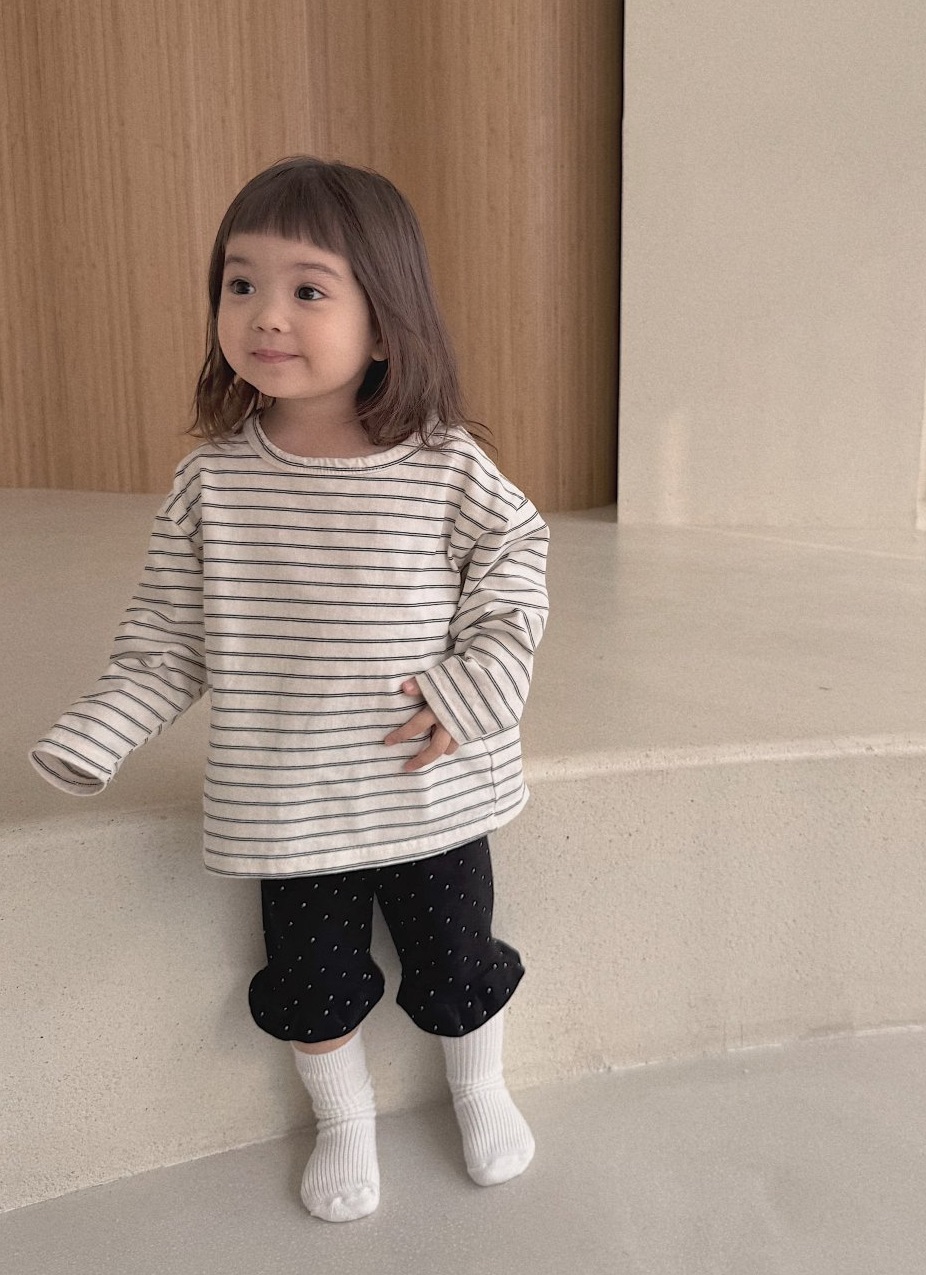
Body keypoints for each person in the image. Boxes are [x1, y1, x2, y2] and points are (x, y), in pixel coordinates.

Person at [30, 156, 549, 1223]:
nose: (266, 314)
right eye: (240, 283)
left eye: (308, 288)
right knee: (312, 984)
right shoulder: (212, 483)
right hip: (290, 801)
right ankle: (342, 1121)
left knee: (457, 963)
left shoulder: (445, 466)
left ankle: (478, 1085)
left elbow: (516, 572)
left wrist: (477, 687)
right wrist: (104, 725)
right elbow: (170, 635)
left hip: (428, 790)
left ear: (386, 322)